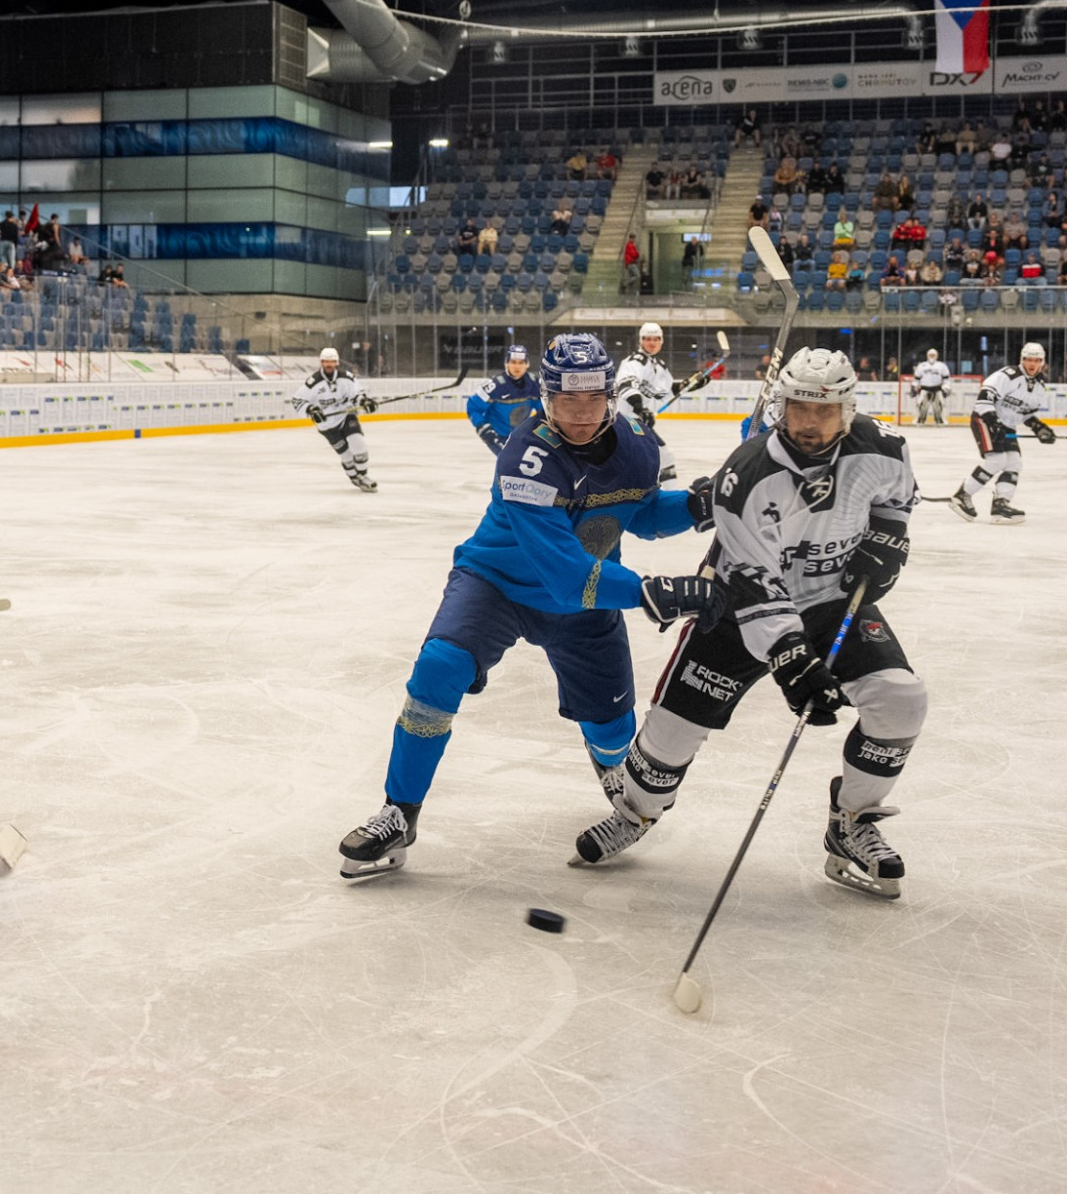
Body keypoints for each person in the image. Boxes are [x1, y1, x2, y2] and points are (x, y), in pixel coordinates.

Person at [336, 334, 723, 879]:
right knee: (437, 671)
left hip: (585, 600)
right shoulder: (527, 455)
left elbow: (640, 514)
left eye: (593, 400)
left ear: (610, 395)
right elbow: (565, 575)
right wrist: (650, 593)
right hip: (497, 584)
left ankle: (621, 784)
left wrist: (696, 505)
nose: (582, 414)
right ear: (547, 398)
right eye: (569, 401)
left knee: (613, 730)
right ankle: (399, 813)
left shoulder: (637, 442)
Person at [574, 349, 924, 901]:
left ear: (848, 408)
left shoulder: (885, 448)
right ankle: (636, 812)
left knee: (902, 700)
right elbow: (755, 585)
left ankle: (852, 823)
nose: (808, 422)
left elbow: (897, 502)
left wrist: (888, 540)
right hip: (736, 608)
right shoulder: (748, 474)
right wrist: (791, 658)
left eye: (823, 410)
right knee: (671, 735)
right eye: (798, 407)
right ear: (780, 405)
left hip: (831, 598)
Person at [950, 341, 1055, 524]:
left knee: (1014, 463)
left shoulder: (1039, 386)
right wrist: (993, 422)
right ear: (1022, 360)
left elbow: (1025, 413)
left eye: (1036, 360)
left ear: (1042, 362)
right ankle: (962, 496)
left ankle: (1001, 504)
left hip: (1006, 425)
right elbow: (984, 398)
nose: (1032, 364)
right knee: (997, 460)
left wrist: (1040, 428)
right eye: (1028, 359)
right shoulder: (1008, 375)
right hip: (984, 419)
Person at [613, 321, 710, 483]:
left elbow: (664, 392)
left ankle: (659, 496)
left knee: (661, 458)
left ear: (661, 341)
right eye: (648, 339)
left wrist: (689, 385)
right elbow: (626, 385)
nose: (652, 343)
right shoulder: (634, 362)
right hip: (625, 419)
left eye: (656, 339)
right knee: (661, 457)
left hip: (636, 419)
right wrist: (640, 408)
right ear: (640, 341)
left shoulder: (659, 366)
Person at [290, 346, 378, 493]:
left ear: (337, 362)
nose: (329, 365)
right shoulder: (313, 382)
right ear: (321, 363)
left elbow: (357, 394)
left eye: (332, 361)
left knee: (359, 444)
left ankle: (363, 476)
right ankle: (354, 477)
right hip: (327, 425)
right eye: (326, 362)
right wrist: (311, 410)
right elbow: (297, 400)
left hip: (345, 416)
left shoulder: (347, 377)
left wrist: (364, 402)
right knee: (346, 455)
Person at [464, 343, 543, 455]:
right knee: (509, 463)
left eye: (521, 362)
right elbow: (473, 407)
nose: (517, 366)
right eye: (513, 362)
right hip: (497, 435)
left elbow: (543, 409)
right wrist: (482, 427)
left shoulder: (534, 384)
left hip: (521, 434)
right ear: (507, 363)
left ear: (527, 364)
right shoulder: (495, 386)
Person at [912, 348, 951, 425]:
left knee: (938, 406)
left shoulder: (942, 366)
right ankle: (920, 420)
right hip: (924, 388)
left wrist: (946, 387)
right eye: (930, 355)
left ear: (937, 356)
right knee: (922, 405)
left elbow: (946, 378)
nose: (932, 356)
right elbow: (916, 378)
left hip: (937, 389)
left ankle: (939, 420)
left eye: (933, 355)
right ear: (927, 355)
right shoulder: (921, 365)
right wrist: (914, 386)